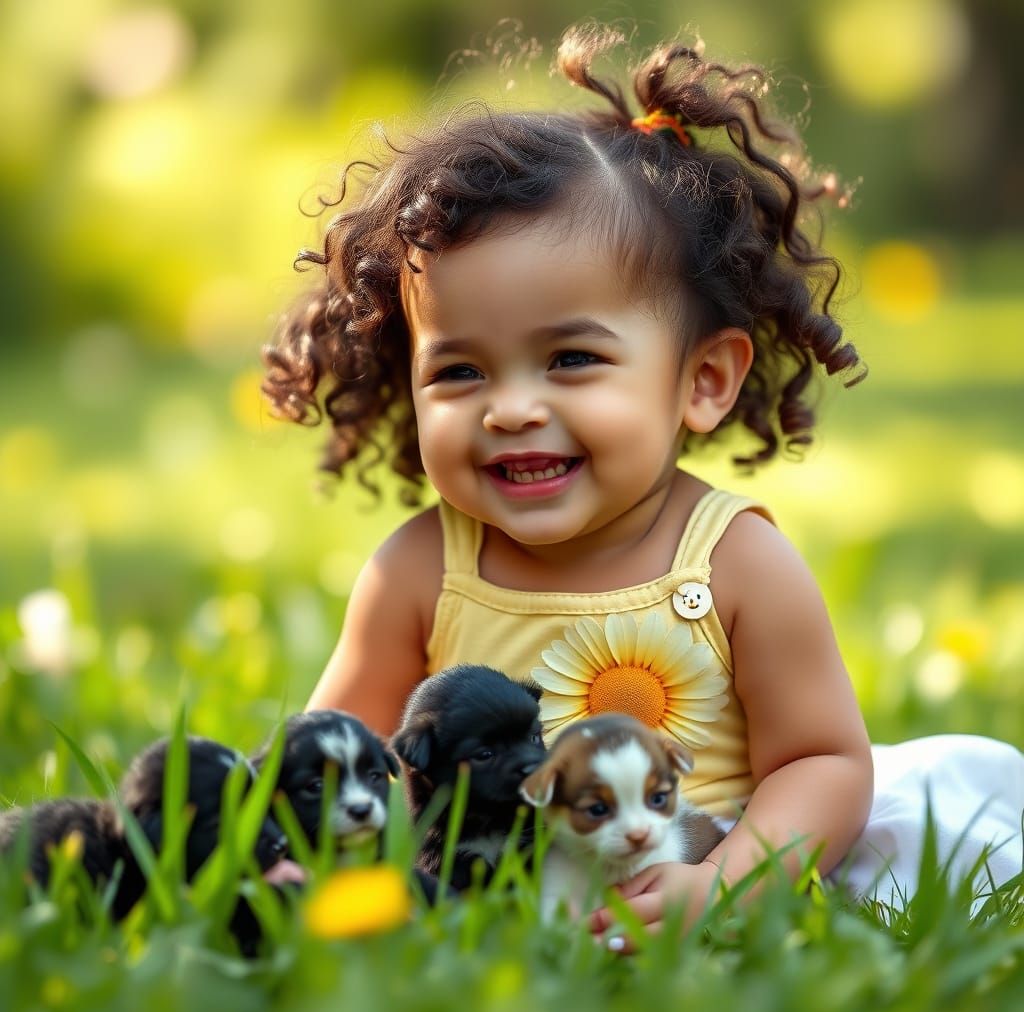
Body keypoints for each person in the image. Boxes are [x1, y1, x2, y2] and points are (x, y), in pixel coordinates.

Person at [262, 26, 1024, 940]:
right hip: (493, 888)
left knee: (905, 877)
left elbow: (822, 762)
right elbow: (331, 758)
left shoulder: (739, 561)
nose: (509, 409)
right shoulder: (417, 569)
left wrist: (733, 883)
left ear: (703, 380)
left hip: (702, 854)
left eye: (571, 358)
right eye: (459, 372)